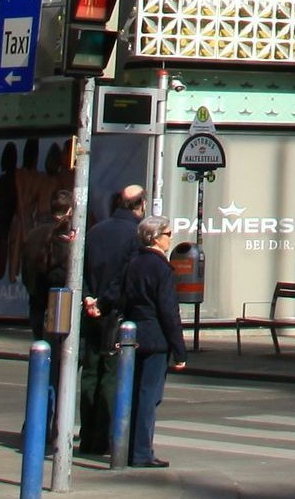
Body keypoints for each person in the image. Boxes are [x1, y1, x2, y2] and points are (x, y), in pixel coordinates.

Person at [96, 217, 184, 468]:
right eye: (168, 234)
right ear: (156, 238)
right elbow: (169, 312)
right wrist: (180, 350)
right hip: (155, 337)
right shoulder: (162, 268)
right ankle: (141, 452)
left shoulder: (132, 262)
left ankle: (123, 446)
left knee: (131, 393)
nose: (170, 238)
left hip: (131, 336)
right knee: (149, 395)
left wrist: (99, 305)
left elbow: (114, 291)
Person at [76, 184, 148, 464]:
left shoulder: (96, 231)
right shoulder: (136, 235)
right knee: (111, 375)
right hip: (116, 313)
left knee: (90, 374)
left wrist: (88, 300)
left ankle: (88, 435)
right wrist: (103, 303)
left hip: (91, 310)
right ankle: (104, 436)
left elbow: (78, 268)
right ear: (140, 204)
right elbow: (124, 278)